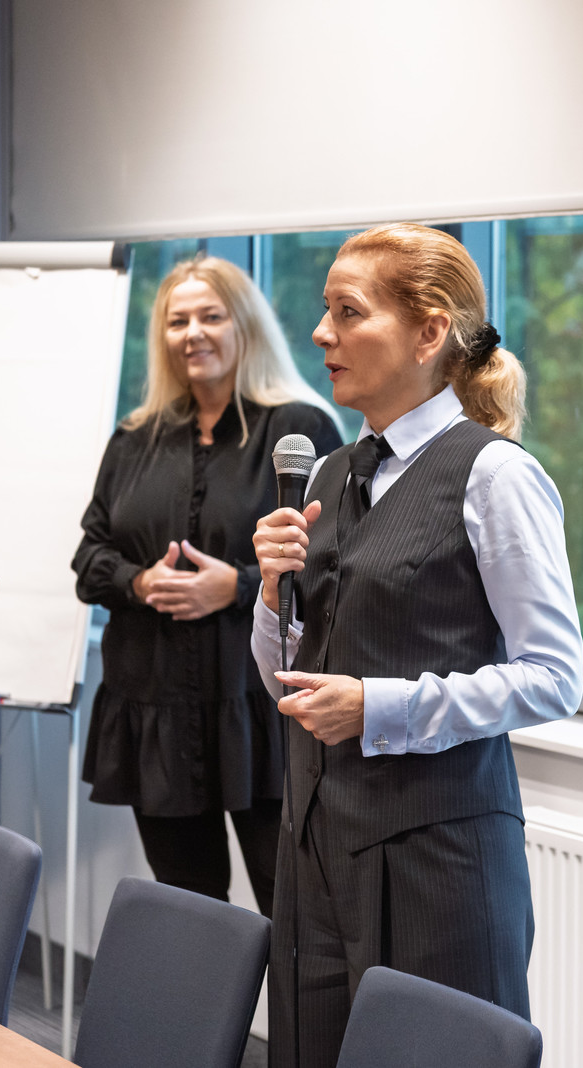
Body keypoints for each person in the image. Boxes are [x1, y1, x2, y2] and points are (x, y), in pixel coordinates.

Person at [250, 222, 583, 1068]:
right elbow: (288, 677)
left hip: (437, 865)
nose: (320, 334)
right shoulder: (330, 474)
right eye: (324, 310)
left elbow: (554, 677)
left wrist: (380, 706)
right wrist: (269, 592)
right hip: (315, 852)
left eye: (347, 312)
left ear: (429, 332)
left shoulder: (496, 475)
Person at [72, 256, 342, 914]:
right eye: (177, 320)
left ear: (244, 325)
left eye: (210, 316)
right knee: (189, 919)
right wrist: (140, 582)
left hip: (261, 712)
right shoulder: (134, 439)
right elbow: (89, 557)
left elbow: (335, 563)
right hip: (154, 712)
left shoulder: (300, 429)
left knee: (293, 911)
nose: (193, 332)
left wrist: (238, 587)